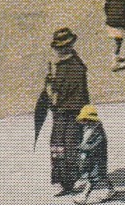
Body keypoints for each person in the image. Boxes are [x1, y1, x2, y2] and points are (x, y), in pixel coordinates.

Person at [43, 27, 91, 195]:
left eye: (61, 47)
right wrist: (50, 84)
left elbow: (79, 94)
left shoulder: (76, 67)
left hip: (72, 112)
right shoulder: (61, 65)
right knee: (56, 145)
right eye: (57, 48)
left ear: (68, 47)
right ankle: (60, 179)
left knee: (70, 146)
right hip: (60, 112)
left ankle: (69, 181)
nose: (58, 50)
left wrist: (53, 91)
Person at [73, 105, 113, 204]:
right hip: (90, 157)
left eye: (84, 119)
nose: (82, 122)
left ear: (89, 119)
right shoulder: (88, 128)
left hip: (98, 158)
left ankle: (84, 196)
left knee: (93, 177)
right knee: (102, 175)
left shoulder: (99, 132)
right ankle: (111, 189)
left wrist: (81, 147)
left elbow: (94, 146)